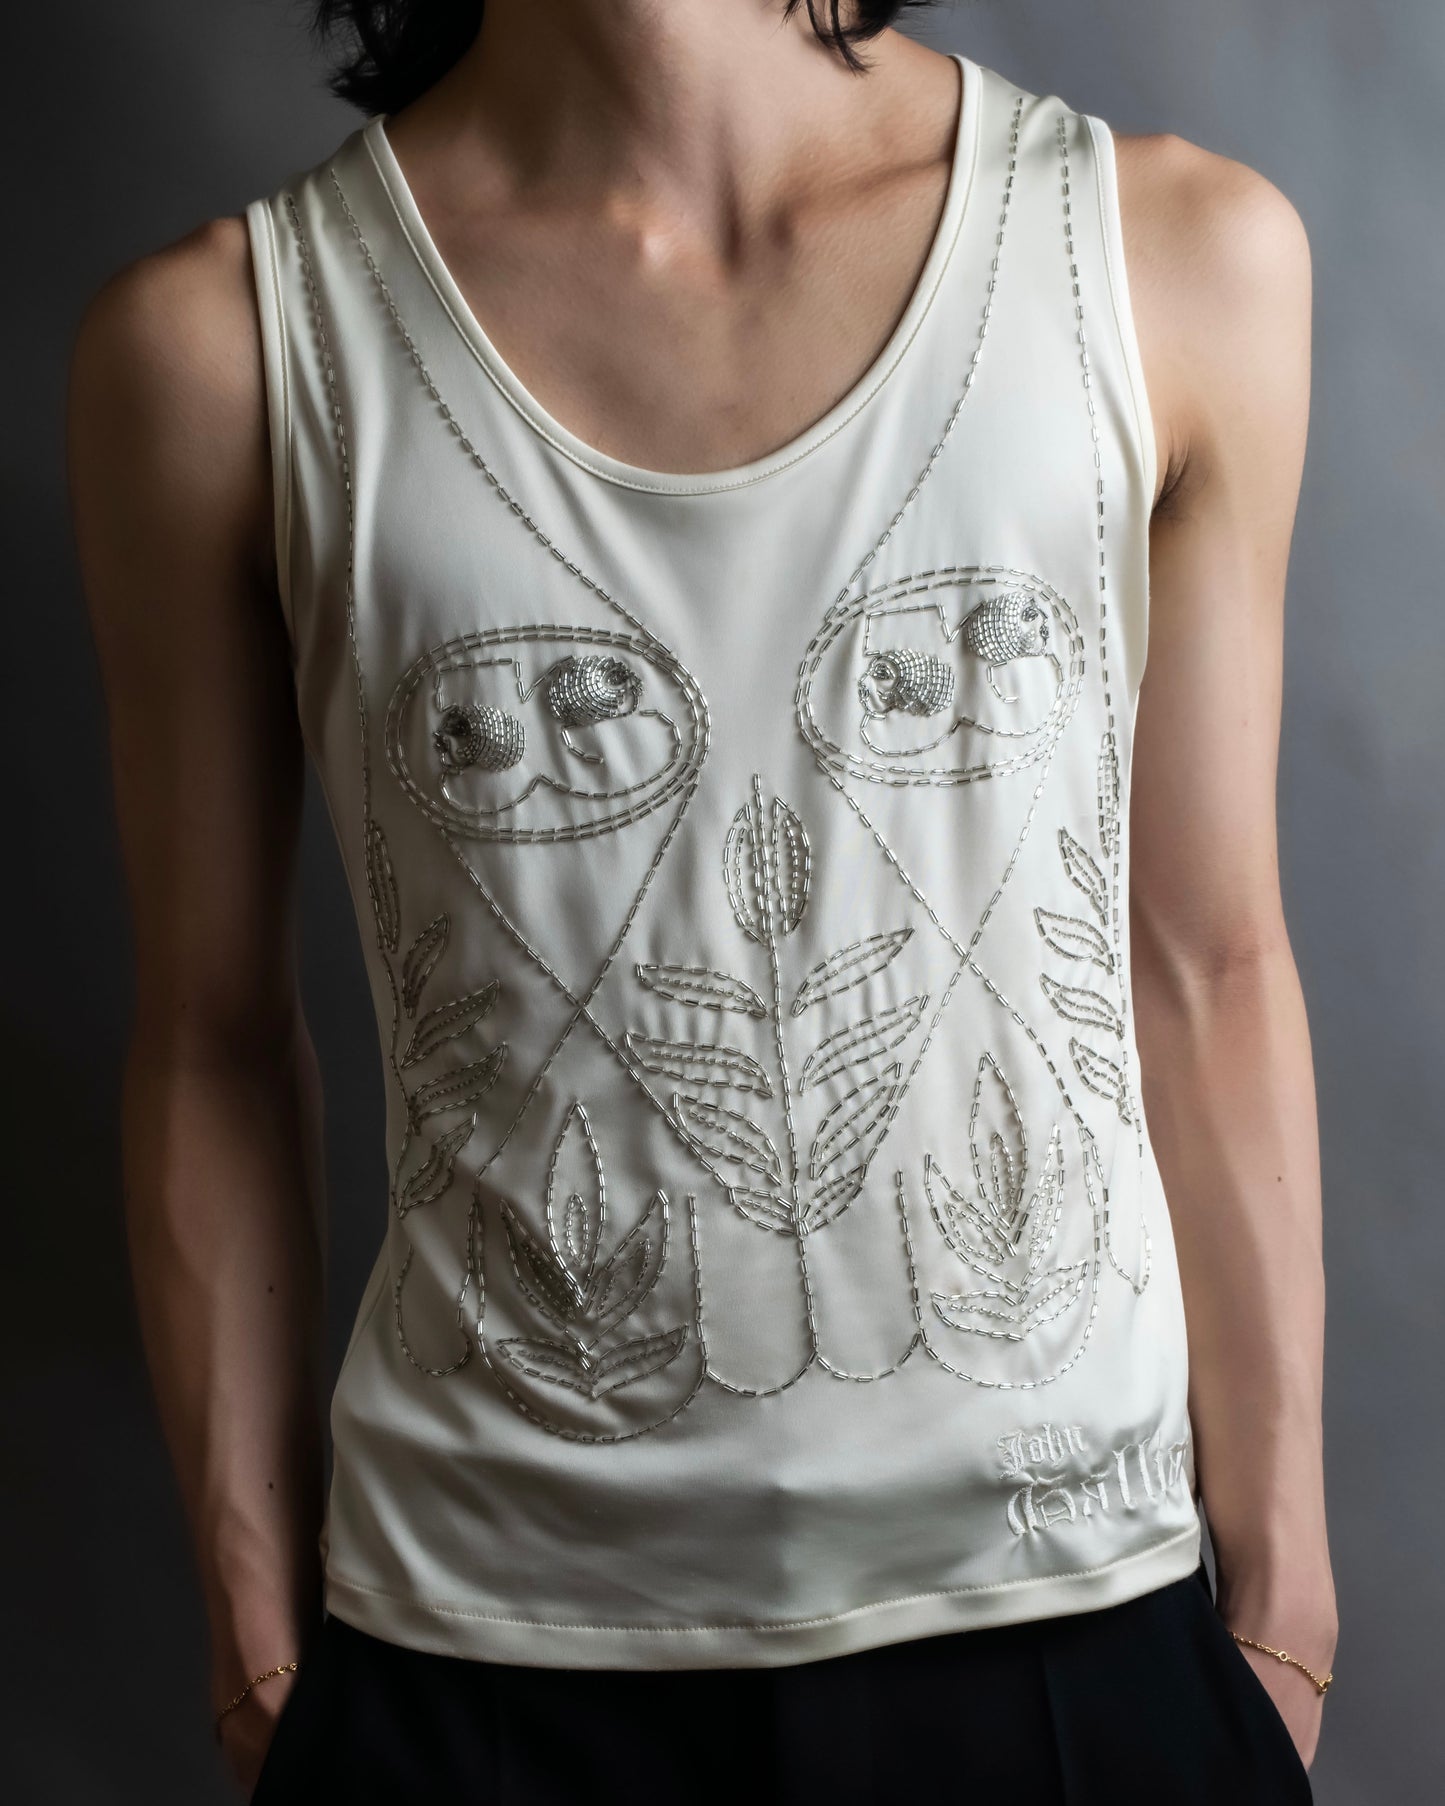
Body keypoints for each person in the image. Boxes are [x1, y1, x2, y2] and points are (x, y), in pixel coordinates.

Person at [66, 2, 1337, 1799]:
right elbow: (210, 1035)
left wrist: (1279, 1592)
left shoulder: (1166, 255)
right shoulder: (226, 347)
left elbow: (1202, 957)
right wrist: (256, 1629)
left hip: (1075, 1624)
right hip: (477, 1666)